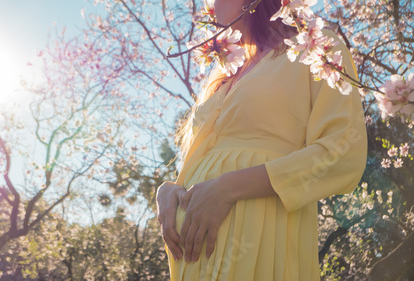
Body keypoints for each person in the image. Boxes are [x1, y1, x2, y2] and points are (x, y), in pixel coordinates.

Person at [156, 0, 368, 280]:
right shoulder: (222, 73)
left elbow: (343, 151)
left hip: (261, 235)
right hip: (193, 259)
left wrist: (228, 188)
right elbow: (204, 155)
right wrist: (169, 190)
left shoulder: (314, 46)